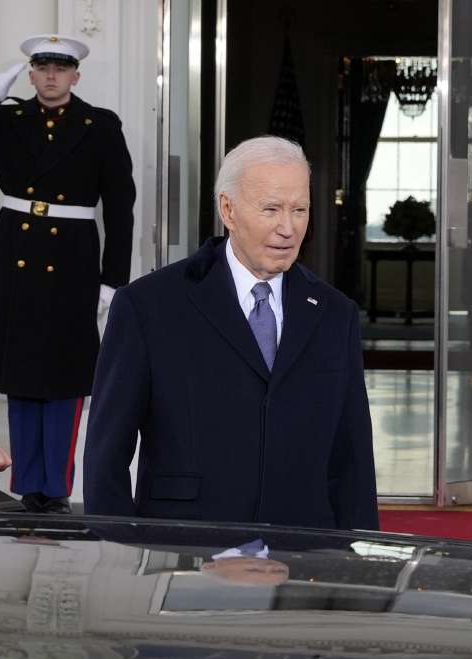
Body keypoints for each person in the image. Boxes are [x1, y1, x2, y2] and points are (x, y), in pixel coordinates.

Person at [84, 136, 378, 530]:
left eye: (300, 210)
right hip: (186, 550)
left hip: (303, 553)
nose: (288, 228)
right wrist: (119, 556)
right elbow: (107, 457)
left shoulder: (335, 315)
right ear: (229, 209)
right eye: (271, 209)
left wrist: (355, 567)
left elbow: (352, 458)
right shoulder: (148, 307)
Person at [0, 34, 136, 514]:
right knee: (19, 371)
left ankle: (54, 488)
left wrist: (113, 279)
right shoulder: (8, 120)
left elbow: (120, 207)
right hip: (13, 251)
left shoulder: (99, 126)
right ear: (30, 73)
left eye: (60, 68)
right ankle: (28, 483)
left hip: (73, 260)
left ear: (75, 76)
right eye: (41, 66)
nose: (50, 75)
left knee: (63, 374)